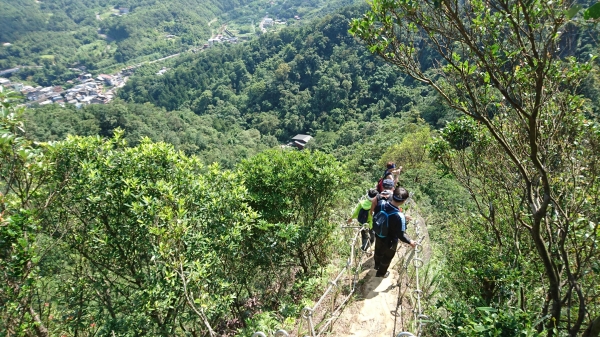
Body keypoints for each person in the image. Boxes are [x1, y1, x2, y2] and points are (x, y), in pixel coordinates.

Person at [373, 186, 417, 278]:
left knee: (378, 251)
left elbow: (379, 214)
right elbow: (401, 235)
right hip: (390, 241)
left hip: (378, 234)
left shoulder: (381, 203)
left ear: (392, 196)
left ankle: (376, 265)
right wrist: (410, 242)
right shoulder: (399, 216)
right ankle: (381, 273)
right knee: (387, 257)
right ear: (403, 201)